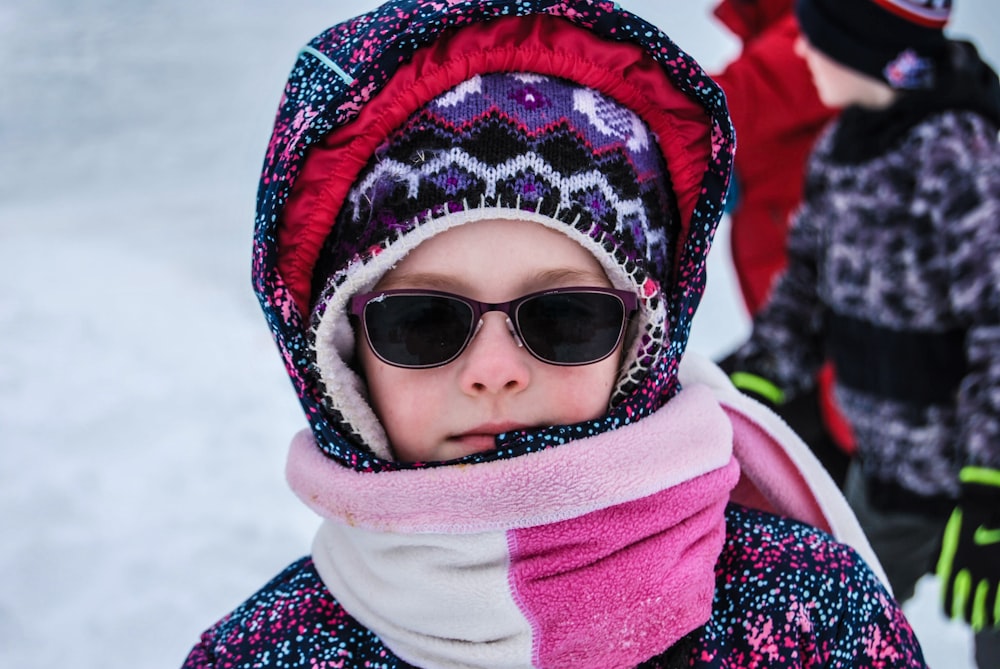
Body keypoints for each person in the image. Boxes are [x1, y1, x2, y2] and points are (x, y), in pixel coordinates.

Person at [182, 1, 928, 667]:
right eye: (422, 323)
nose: (495, 371)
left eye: (565, 317)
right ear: (340, 359)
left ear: (640, 339)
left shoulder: (811, 619)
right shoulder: (261, 654)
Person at [723, 0, 1000, 665]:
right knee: (833, 628)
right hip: (886, 473)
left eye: (820, 43)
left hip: (979, 483)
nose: (808, 58)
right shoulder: (841, 147)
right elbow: (803, 288)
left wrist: (990, 485)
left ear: (866, 51)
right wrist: (753, 381)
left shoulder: (959, 157)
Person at [708, 0, 854, 487]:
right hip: (793, 338)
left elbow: (713, 106)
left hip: (840, 352)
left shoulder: (820, 29)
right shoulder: (778, 32)